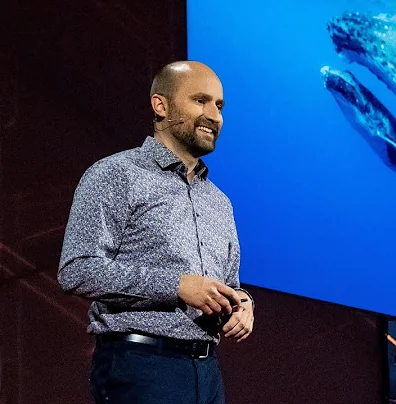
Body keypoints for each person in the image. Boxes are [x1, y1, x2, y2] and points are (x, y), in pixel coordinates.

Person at [57, 60, 254, 404]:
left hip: (207, 374)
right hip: (141, 367)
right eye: (200, 101)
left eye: (219, 105)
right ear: (161, 105)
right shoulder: (116, 174)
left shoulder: (220, 202)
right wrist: (176, 286)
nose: (214, 115)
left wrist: (243, 303)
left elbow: (230, 285)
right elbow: (77, 270)